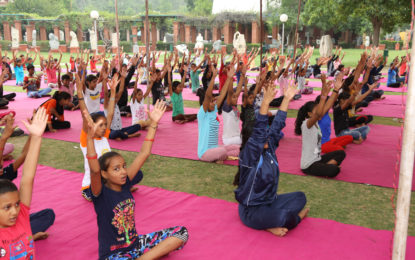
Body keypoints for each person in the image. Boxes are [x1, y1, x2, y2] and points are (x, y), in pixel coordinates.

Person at [84, 100, 188, 259]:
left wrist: (153, 123)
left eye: (123, 166)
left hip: (137, 245)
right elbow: (94, 168)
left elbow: (144, 153)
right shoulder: (100, 193)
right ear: (104, 174)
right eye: (116, 169)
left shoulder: (125, 184)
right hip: (114, 255)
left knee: (181, 233)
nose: (123, 172)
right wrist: (90, 138)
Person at [234, 84, 308, 237]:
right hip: (251, 210)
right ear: (253, 138)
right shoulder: (250, 154)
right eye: (262, 133)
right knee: (284, 217)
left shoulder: (269, 146)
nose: (267, 133)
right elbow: (260, 131)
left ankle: (271, 220)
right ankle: (286, 220)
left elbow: (277, 124)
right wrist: (265, 103)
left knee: (301, 197)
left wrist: (287, 99)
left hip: (269, 203)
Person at [0, 108, 55, 258]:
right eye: (7, 207)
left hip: (25, 231)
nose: (15, 211)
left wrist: (36, 137)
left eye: (16, 204)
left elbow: (27, 178)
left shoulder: (21, 215)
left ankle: (32, 235)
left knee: (48, 215)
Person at [295, 80, 346, 178]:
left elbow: (327, 106)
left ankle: (325, 167)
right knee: (334, 170)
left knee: (341, 153)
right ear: (309, 114)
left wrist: (335, 90)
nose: (320, 110)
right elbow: (319, 113)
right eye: (317, 109)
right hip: (308, 165)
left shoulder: (317, 122)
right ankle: (327, 167)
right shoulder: (306, 124)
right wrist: (323, 95)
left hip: (317, 159)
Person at [197, 62, 240, 163]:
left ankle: (222, 157)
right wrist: (213, 78)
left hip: (215, 148)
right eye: (210, 101)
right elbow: (207, 96)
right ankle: (220, 157)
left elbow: (223, 93)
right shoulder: (202, 114)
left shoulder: (214, 110)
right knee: (222, 151)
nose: (212, 103)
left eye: (213, 101)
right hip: (204, 153)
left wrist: (229, 78)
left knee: (236, 147)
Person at [314, 75, 354, 154]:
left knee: (349, 137)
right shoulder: (318, 115)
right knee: (340, 151)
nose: (329, 104)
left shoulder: (325, 112)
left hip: (328, 141)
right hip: (322, 145)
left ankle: (333, 147)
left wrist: (337, 88)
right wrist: (323, 83)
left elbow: (331, 99)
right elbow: (323, 97)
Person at [103, 68, 143, 140]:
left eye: (115, 97)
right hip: (111, 131)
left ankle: (123, 135)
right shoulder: (106, 104)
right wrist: (104, 80)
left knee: (137, 126)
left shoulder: (115, 103)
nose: (115, 99)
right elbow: (105, 93)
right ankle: (129, 135)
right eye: (113, 97)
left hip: (120, 129)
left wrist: (123, 78)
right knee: (114, 134)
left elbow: (121, 90)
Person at [221, 65, 245, 145]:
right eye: (234, 97)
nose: (236, 98)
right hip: (229, 139)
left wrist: (243, 75)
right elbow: (231, 92)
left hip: (237, 137)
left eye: (236, 97)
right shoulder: (227, 106)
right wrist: (230, 78)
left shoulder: (234, 107)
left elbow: (238, 89)